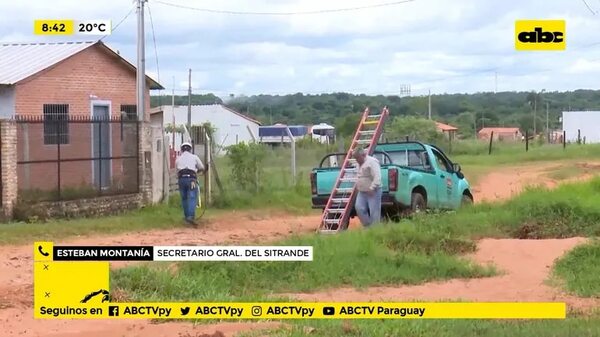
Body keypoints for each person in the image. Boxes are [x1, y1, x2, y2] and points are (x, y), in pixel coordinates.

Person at [175, 142, 205, 226]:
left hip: (182, 179)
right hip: (191, 179)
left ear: (181, 150)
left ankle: (186, 216)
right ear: (190, 149)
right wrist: (197, 172)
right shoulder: (194, 157)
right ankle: (190, 216)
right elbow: (202, 167)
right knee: (192, 197)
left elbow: (176, 172)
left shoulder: (178, 158)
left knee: (184, 198)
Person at [353, 148, 382, 227]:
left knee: (374, 212)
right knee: (359, 208)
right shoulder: (357, 164)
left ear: (363, 155)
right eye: (356, 158)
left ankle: (375, 229)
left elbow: (377, 176)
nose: (357, 160)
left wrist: (372, 187)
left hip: (373, 191)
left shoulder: (372, 162)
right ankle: (368, 226)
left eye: (358, 158)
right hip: (362, 191)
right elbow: (358, 176)